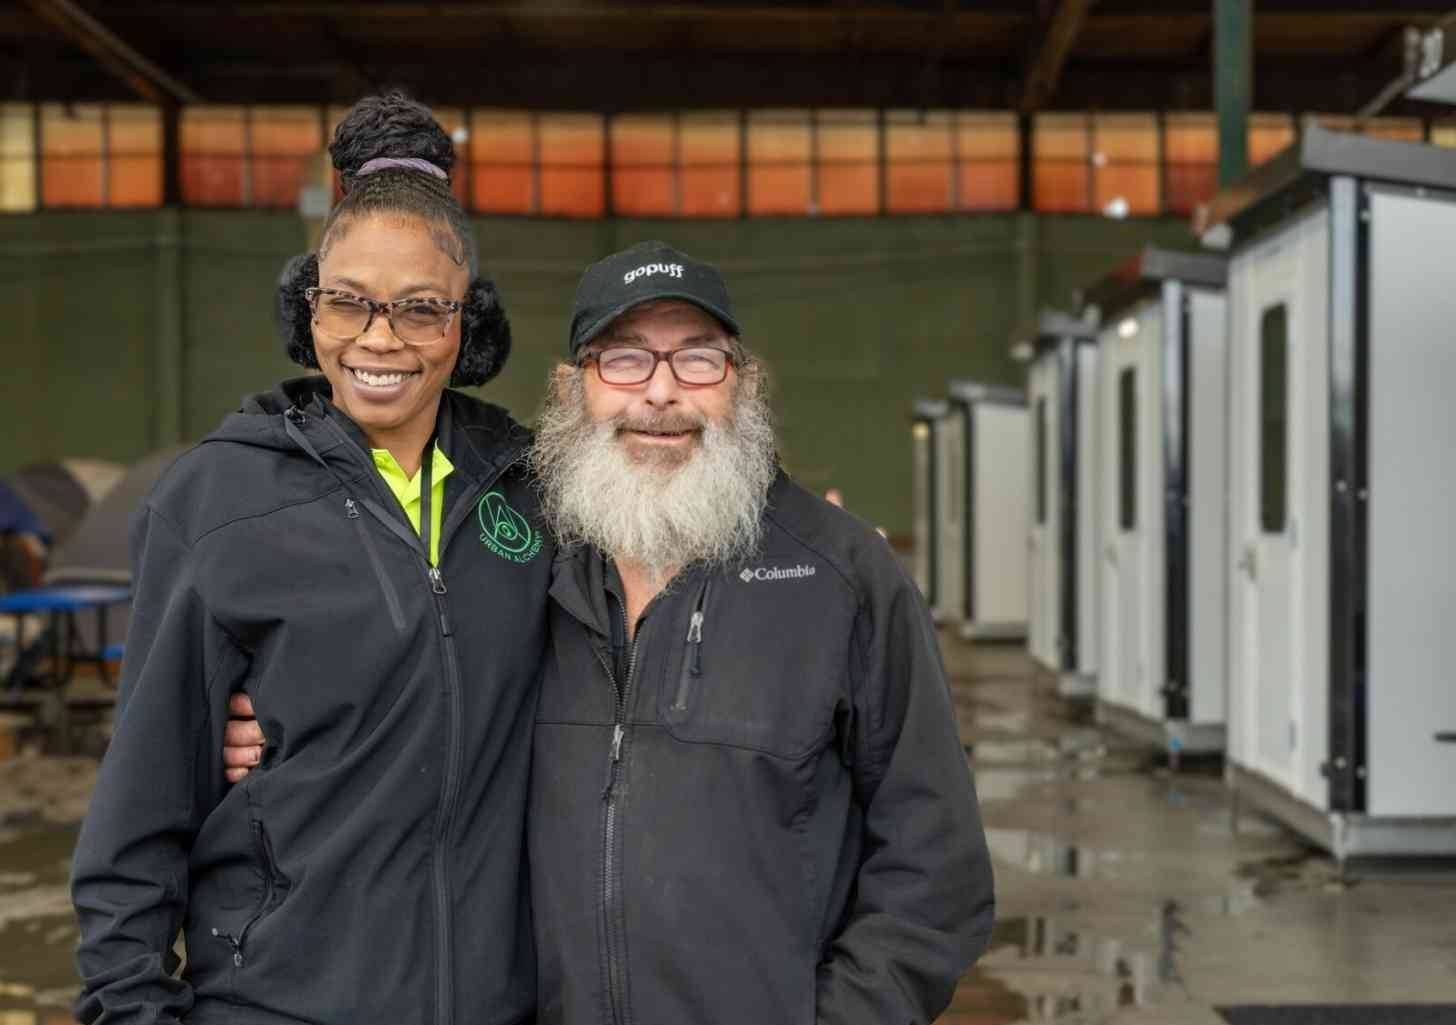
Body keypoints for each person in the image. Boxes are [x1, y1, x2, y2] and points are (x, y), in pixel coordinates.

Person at [230, 241, 996, 1024]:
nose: (660, 393)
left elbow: (935, 870)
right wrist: (290, 714)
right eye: (624, 360)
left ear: (744, 382)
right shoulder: (518, 566)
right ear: (574, 389)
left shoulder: (843, 578)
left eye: (698, 360)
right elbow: (421, 697)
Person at [70, 92, 548, 1025]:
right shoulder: (215, 500)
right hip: (279, 1001)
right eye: (349, 302)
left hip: (497, 1003)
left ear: (469, 326)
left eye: (421, 308)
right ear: (306, 308)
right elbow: (141, 800)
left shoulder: (536, 493)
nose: (380, 338)